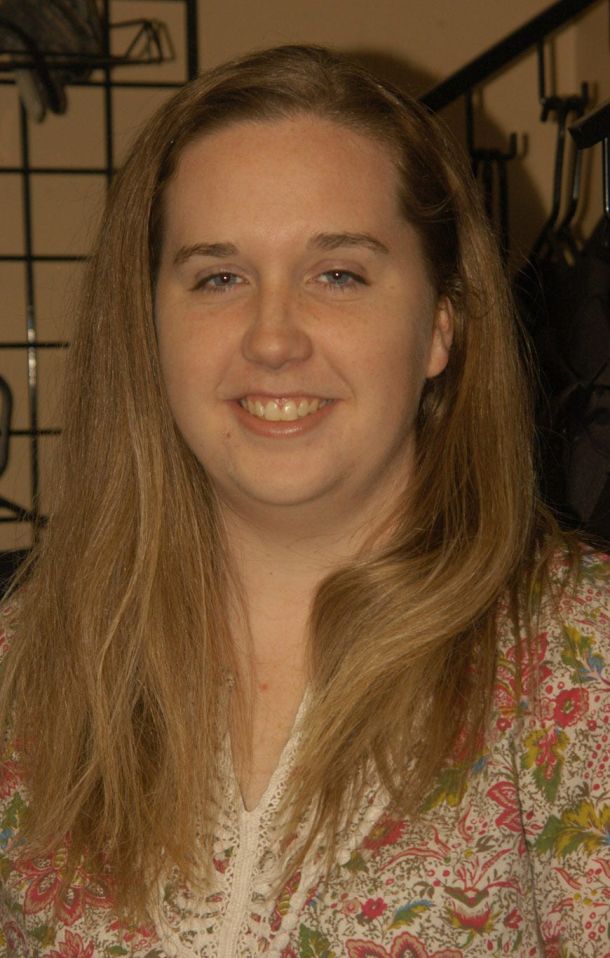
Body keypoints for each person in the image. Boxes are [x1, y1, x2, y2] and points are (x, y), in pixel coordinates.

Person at [0, 44, 608, 958]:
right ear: (150, 325)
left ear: (440, 325)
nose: (273, 338)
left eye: (338, 274)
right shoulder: (28, 665)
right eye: (219, 277)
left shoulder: (579, 658)